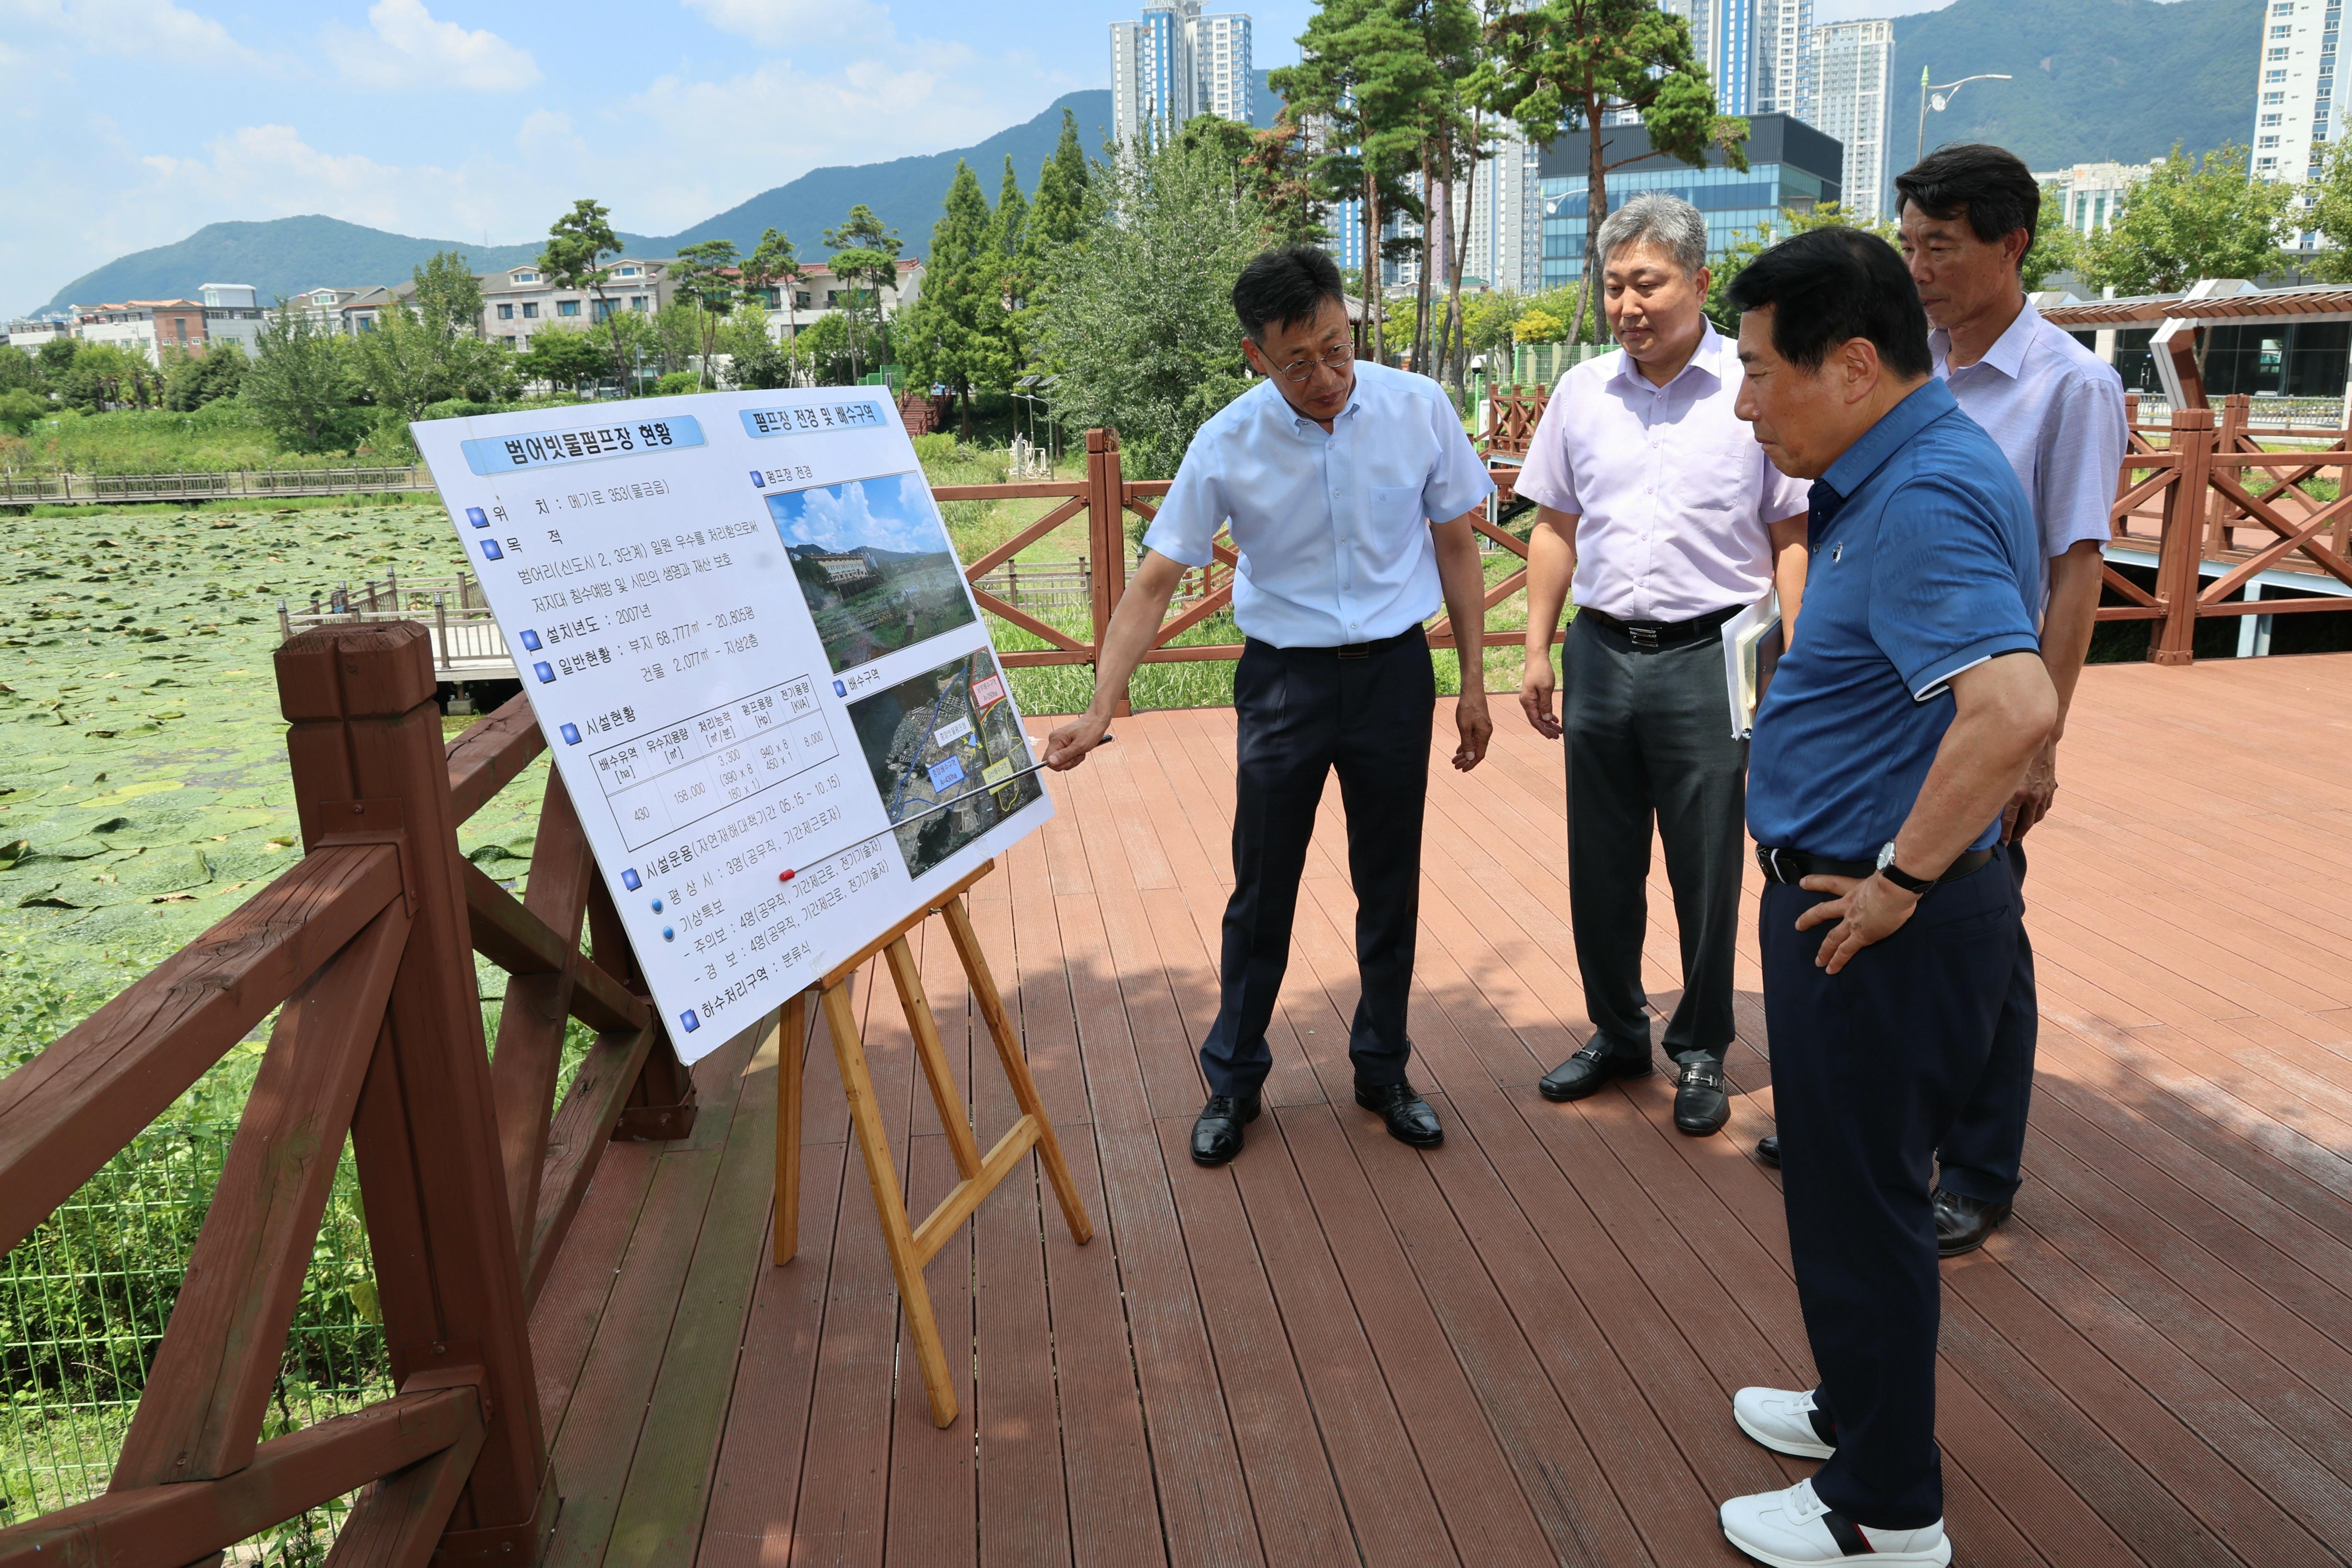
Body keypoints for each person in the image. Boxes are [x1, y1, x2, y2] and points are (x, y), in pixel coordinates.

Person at [1717, 227, 2056, 1567]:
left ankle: (1885, 1511)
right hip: (1859, 902)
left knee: (1863, 1209)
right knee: (1851, 1201)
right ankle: (1856, 1412)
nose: (1743, 405)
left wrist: (1897, 885)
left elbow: (2012, 705)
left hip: (1876, 921)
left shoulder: (1914, 497)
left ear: (1852, 364)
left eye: (1757, 373)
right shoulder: (1903, 463)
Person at [1042, 245, 1496, 1164]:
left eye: (1337, 348)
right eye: (1299, 362)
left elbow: (1456, 544)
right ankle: (1234, 1079)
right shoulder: (1226, 440)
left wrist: (1473, 682)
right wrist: (1101, 704)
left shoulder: (1418, 410)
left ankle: (1383, 1066)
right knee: (1263, 888)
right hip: (1284, 681)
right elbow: (1156, 578)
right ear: (1255, 355)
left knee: (1389, 882)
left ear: (1348, 322)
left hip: (1393, 676)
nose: (1326, 377)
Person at [1754, 146, 2124, 1258]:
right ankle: (1873, 1132)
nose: (1921, 266)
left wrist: (2038, 743)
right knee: (1911, 1030)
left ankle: (1973, 1162)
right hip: (1897, 724)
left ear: (2011, 245)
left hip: (1956, 743)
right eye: (1908, 244)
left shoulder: (2062, 387)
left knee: (1978, 940)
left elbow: (2070, 574)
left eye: (1942, 247)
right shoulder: (1929, 377)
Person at [1513, 193, 1810, 1135]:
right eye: (1612, 287)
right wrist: (1534, 646)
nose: (1628, 305)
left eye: (1646, 283)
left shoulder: (1750, 385)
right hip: (1600, 648)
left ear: (1697, 281)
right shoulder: (1581, 392)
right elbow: (1556, 526)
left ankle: (1701, 1047)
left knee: (1707, 862)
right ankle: (1614, 1030)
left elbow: (1791, 533)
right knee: (1599, 862)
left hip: (1714, 654)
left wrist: (1794, 663)